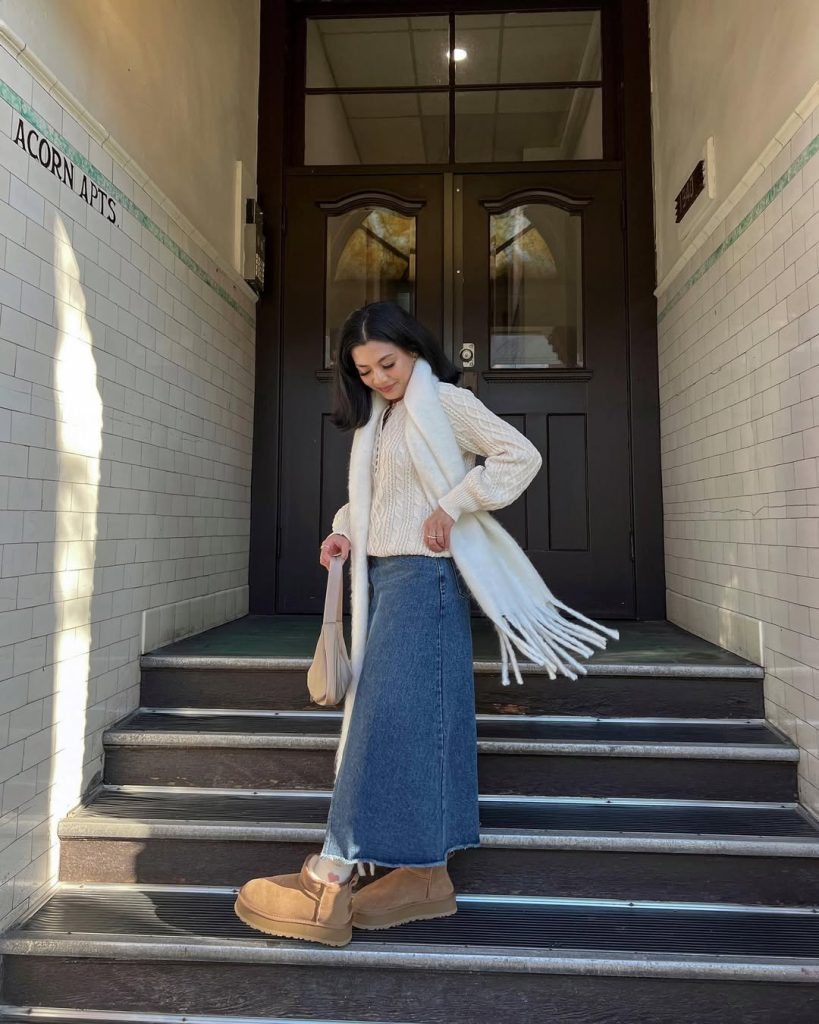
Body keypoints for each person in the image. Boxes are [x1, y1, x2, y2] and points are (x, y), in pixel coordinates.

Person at [234, 301, 543, 946]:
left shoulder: (447, 404)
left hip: (426, 582)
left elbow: (520, 456)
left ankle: (332, 877)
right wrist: (343, 532)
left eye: (387, 363)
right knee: (418, 720)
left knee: (382, 724)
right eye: (364, 369)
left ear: (413, 350)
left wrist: (455, 505)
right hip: (386, 580)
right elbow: (377, 499)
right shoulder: (380, 421)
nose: (378, 377)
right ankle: (425, 875)